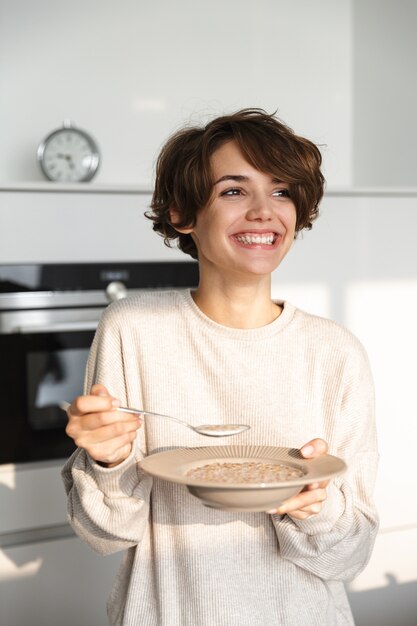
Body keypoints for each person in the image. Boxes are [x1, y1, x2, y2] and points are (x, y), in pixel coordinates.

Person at [62, 108, 378, 626]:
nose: (264, 211)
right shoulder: (132, 328)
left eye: (281, 191)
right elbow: (104, 534)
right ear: (184, 213)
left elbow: (351, 556)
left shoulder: (334, 351)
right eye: (234, 191)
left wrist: (314, 506)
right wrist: (106, 462)